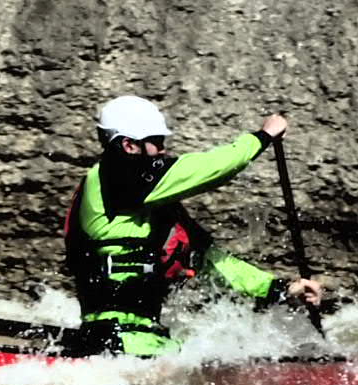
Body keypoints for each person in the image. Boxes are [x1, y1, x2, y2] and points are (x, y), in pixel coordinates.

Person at [61, 94, 325, 356]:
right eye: (157, 143)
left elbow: (210, 259)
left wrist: (279, 288)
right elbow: (211, 167)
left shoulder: (149, 202)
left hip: (142, 343)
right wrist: (262, 136)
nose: (163, 151)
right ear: (129, 145)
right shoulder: (115, 177)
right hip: (115, 346)